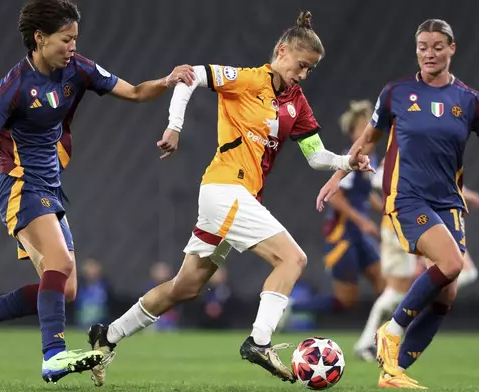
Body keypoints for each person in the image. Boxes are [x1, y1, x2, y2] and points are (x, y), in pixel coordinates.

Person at [87, 10, 373, 387]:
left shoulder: (296, 101)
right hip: (226, 188)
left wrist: (346, 161)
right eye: (302, 65)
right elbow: (188, 77)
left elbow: (316, 155)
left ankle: (105, 338)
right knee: (293, 259)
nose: (303, 75)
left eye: (310, 70)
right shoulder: (247, 79)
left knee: (185, 287)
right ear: (283, 51)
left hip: (231, 198)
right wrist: (175, 127)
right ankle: (260, 341)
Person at [0, 0, 193, 383]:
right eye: (66, 39)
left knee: (66, 289)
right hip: (19, 185)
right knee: (60, 265)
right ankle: (53, 357)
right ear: (39, 39)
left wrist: (166, 81)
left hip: (50, 188)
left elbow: (133, 92)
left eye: (76, 38)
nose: (73, 46)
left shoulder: (78, 69)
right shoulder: (11, 86)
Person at [316, 19, 479, 389]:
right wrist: (337, 174)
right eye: (422, 46)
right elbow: (367, 141)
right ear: (416, 50)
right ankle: (391, 330)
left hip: (449, 204)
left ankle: (393, 371)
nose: (429, 53)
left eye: (437, 46)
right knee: (452, 263)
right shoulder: (396, 93)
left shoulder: (470, 100)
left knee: (447, 288)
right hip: (406, 198)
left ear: (452, 49)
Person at [352, 163, 479, 364]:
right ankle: (370, 341)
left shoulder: (432, 143)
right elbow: (379, 178)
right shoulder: (403, 142)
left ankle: (392, 329)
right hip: (401, 229)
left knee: (461, 274)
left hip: (428, 224)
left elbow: (439, 175)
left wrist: (462, 192)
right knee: (396, 291)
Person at [287, 100, 385, 361]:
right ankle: (294, 306)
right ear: (354, 133)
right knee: (346, 301)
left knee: (385, 286)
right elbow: (337, 197)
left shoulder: (371, 157)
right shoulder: (349, 157)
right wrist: (363, 221)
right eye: (364, 127)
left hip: (359, 236)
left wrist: (384, 208)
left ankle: (375, 343)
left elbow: (364, 194)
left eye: (371, 125)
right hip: (342, 235)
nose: (369, 131)